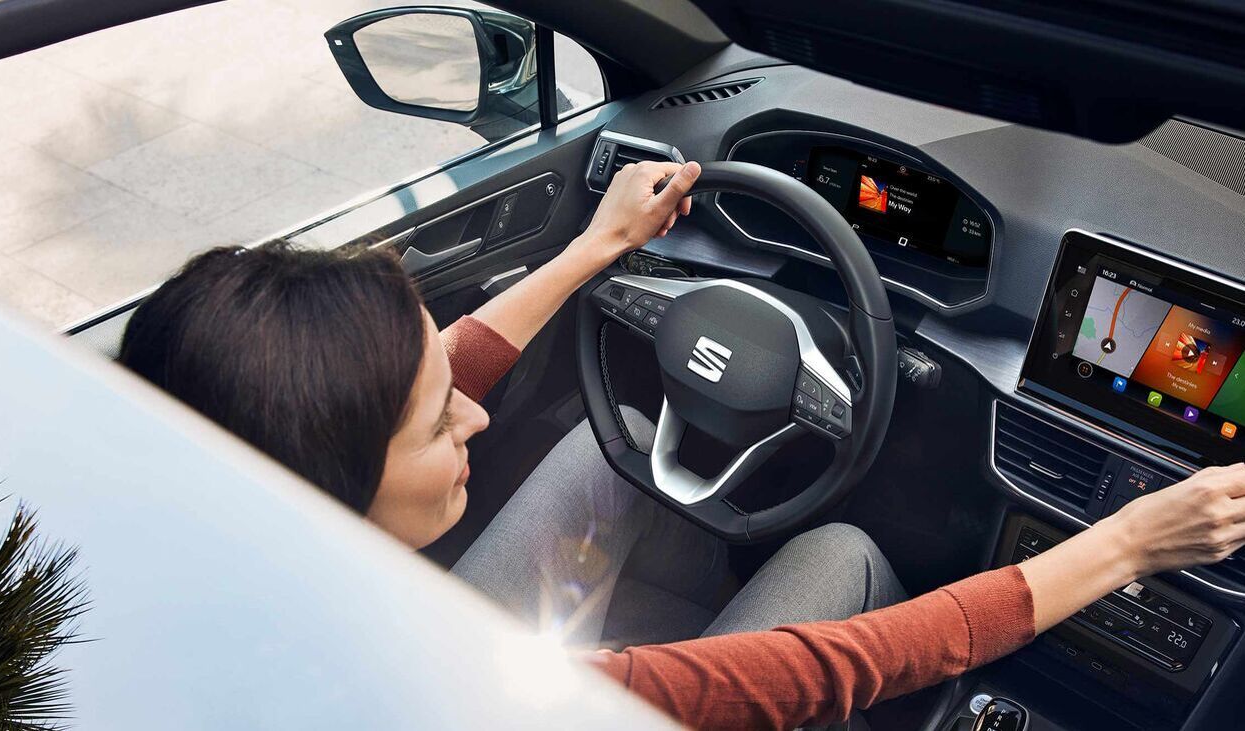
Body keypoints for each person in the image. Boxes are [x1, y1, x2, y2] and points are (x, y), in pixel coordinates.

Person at [117, 160, 1245, 730]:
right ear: (326, 483)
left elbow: (444, 365)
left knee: (594, 457)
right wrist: (1128, 543)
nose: (470, 407)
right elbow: (850, 662)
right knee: (845, 545)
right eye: (433, 417)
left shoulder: (209, 544)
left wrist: (596, 248)